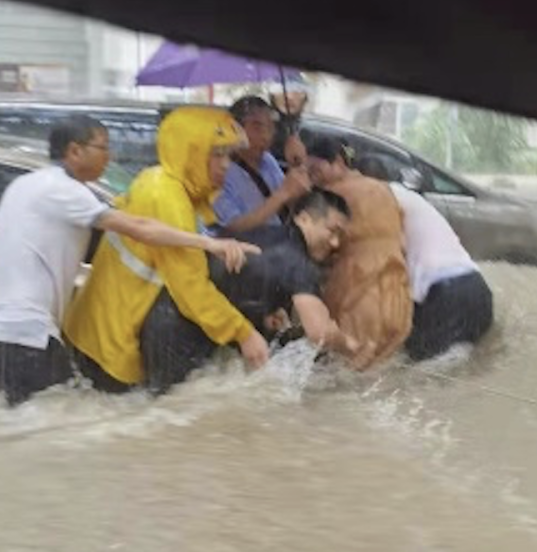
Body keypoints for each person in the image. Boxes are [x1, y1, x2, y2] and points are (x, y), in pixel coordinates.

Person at [0, 115, 258, 406]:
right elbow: (141, 228)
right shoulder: (69, 192)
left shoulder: (25, 184)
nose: (109, 155)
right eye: (103, 147)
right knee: (54, 428)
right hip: (27, 334)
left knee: (32, 417)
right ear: (75, 151)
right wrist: (209, 243)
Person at [63, 107, 271, 394]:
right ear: (191, 152)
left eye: (229, 155)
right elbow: (191, 290)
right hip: (108, 349)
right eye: (217, 154)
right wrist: (244, 333)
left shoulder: (158, 179)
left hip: (90, 335)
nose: (226, 165)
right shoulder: (167, 198)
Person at [139, 188, 359, 394]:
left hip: (164, 322)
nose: (336, 242)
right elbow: (319, 332)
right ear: (303, 219)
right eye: (332, 231)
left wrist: (261, 317)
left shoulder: (267, 235)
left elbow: (235, 286)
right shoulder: (297, 261)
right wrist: (349, 344)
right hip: (179, 337)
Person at [354, 157, 494, 360]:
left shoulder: (382, 200)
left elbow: (390, 256)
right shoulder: (409, 197)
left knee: (419, 375)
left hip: (448, 297)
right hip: (477, 291)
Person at [305, 134, 413, 370]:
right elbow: (403, 243)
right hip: (398, 293)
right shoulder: (383, 189)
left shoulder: (330, 197)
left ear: (338, 161)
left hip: (358, 294)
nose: (311, 175)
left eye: (315, 168)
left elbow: (316, 250)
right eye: (307, 169)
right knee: (381, 375)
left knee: (346, 377)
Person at [212, 96, 310, 233]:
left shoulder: (268, 160)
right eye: (257, 128)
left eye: (270, 128)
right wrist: (282, 194)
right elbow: (232, 226)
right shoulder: (219, 169)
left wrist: (298, 165)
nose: (266, 136)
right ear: (235, 128)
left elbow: (292, 203)